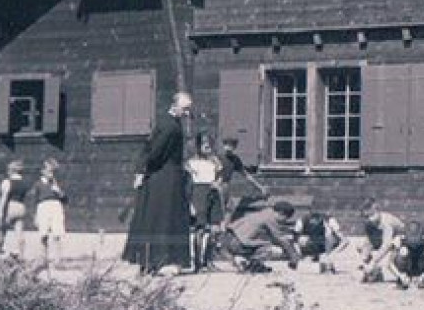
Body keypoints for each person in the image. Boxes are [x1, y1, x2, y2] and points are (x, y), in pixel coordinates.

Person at [122, 91, 194, 276]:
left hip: (159, 175)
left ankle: (149, 260)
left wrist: (142, 170)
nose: (187, 113)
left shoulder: (164, 122)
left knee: (152, 217)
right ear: (175, 105)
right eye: (185, 109)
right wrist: (143, 169)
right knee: (165, 218)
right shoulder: (172, 128)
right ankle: (162, 260)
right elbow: (155, 153)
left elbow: (148, 147)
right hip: (166, 178)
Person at [222, 194, 300, 272]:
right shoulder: (271, 218)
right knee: (274, 250)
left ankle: (244, 261)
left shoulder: (264, 213)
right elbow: (281, 240)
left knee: (263, 242)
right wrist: (293, 258)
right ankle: (253, 265)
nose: (284, 221)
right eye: (285, 219)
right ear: (281, 213)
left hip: (228, 239)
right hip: (238, 244)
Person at [186, 133, 225, 272]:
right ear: (198, 146)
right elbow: (188, 184)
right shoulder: (190, 163)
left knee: (215, 229)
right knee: (200, 229)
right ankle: (197, 263)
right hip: (198, 193)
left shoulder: (215, 161)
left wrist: (217, 183)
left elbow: (220, 177)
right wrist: (190, 203)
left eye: (209, 143)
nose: (207, 146)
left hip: (212, 192)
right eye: (203, 143)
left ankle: (208, 260)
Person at [383, 221, 424, 289]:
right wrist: (400, 275)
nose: (414, 239)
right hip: (406, 269)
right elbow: (389, 263)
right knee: (403, 251)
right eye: (411, 235)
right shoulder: (399, 239)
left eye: (416, 235)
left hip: (422, 269)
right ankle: (402, 281)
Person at [32, 158, 68, 269]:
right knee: (43, 235)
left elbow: (65, 199)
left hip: (56, 207)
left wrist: (59, 192)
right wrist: (35, 215)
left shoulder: (57, 184)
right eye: (48, 171)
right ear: (42, 171)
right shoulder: (38, 184)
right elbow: (35, 200)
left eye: (52, 172)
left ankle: (58, 260)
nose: (51, 174)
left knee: (57, 234)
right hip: (43, 207)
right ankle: (43, 260)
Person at [358, 200, 405, 283]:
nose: (369, 219)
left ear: (377, 211)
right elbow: (368, 242)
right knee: (362, 247)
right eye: (366, 217)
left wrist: (373, 262)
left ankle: (404, 275)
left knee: (396, 247)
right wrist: (364, 260)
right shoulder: (370, 223)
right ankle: (376, 272)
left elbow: (386, 245)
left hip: (404, 245)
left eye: (371, 215)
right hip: (387, 239)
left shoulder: (387, 222)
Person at [0, 159, 29, 259]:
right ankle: (22, 256)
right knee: (19, 233)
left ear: (11, 170)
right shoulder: (24, 183)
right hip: (21, 207)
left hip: (10, 206)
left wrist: (0, 213)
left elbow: (4, 198)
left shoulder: (7, 182)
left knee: (2, 232)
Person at [296, 209, 348, 273]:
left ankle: (318, 259)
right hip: (323, 243)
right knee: (325, 251)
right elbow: (344, 240)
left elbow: (296, 234)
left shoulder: (302, 219)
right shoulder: (329, 219)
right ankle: (323, 261)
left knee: (304, 240)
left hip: (311, 243)